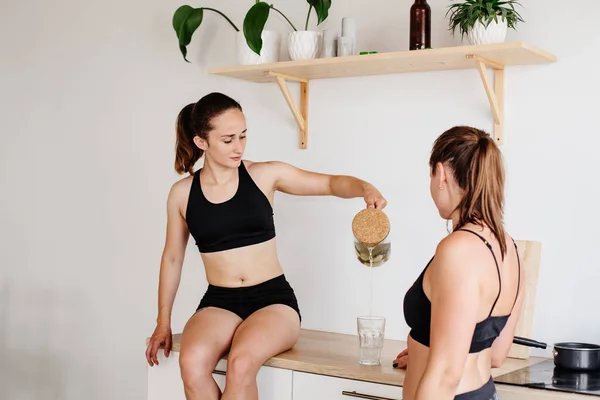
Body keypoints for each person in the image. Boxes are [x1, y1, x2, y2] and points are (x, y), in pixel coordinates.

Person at [144, 92, 387, 400]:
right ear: (201, 142)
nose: (239, 147)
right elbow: (172, 259)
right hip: (220, 300)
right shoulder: (181, 194)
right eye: (228, 139)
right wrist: (162, 321)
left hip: (273, 299)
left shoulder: (263, 175)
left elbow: (328, 183)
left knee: (242, 362)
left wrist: (364, 188)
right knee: (191, 362)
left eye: (243, 136)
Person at [395, 126, 524, 400]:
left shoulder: (457, 250)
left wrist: (436, 359)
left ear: (441, 174)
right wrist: (425, 349)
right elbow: (497, 353)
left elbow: (445, 376)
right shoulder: (509, 247)